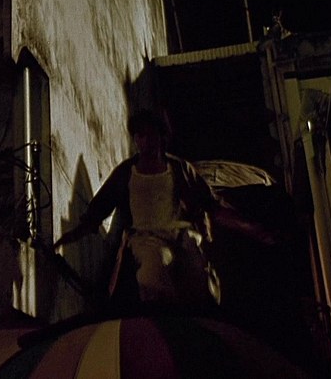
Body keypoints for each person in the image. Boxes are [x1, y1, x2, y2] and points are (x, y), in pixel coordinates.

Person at [54, 110, 264, 308]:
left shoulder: (180, 169)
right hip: (146, 238)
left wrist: (251, 228)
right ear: (135, 139)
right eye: (141, 136)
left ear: (162, 137)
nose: (146, 141)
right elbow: (101, 205)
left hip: (181, 233)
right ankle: (163, 318)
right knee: (152, 273)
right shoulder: (127, 172)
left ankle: (204, 316)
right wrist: (73, 234)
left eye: (151, 135)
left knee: (199, 274)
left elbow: (212, 204)